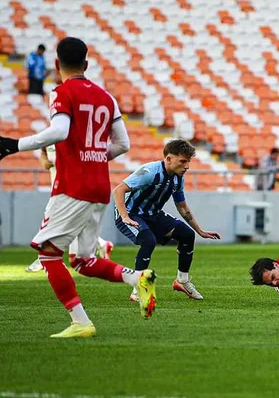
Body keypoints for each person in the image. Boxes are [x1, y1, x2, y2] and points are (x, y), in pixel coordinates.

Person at [0, 36, 157, 338]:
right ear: (87, 64)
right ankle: (138, 278)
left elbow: (60, 131)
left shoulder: (61, 92)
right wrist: (96, 156)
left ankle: (81, 322)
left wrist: (13, 145)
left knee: (48, 255)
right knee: (83, 261)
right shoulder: (106, 97)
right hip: (99, 187)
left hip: (73, 187)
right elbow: (123, 144)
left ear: (56, 65)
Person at [25, 73, 114, 273]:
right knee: (72, 225)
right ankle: (101, 245)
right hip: (59, 184)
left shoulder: (72, 134)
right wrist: (47, 163)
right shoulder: (52, 134)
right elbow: (42, 156)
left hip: (71, 187)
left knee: (52, 219)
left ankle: (44, 257)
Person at [113, 139, 221, 302]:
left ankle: (182, 281)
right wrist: (125, 216)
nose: (187, 166)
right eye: (183, 161)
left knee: (187, 235)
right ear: (169, 159)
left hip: (153, 215)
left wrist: (200, 231)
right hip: (130, 214)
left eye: (188, 162)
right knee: (148, 240)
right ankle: (138, 288)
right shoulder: (149, 171)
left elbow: (182, 206)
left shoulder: (178, 178)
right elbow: (119, 190)